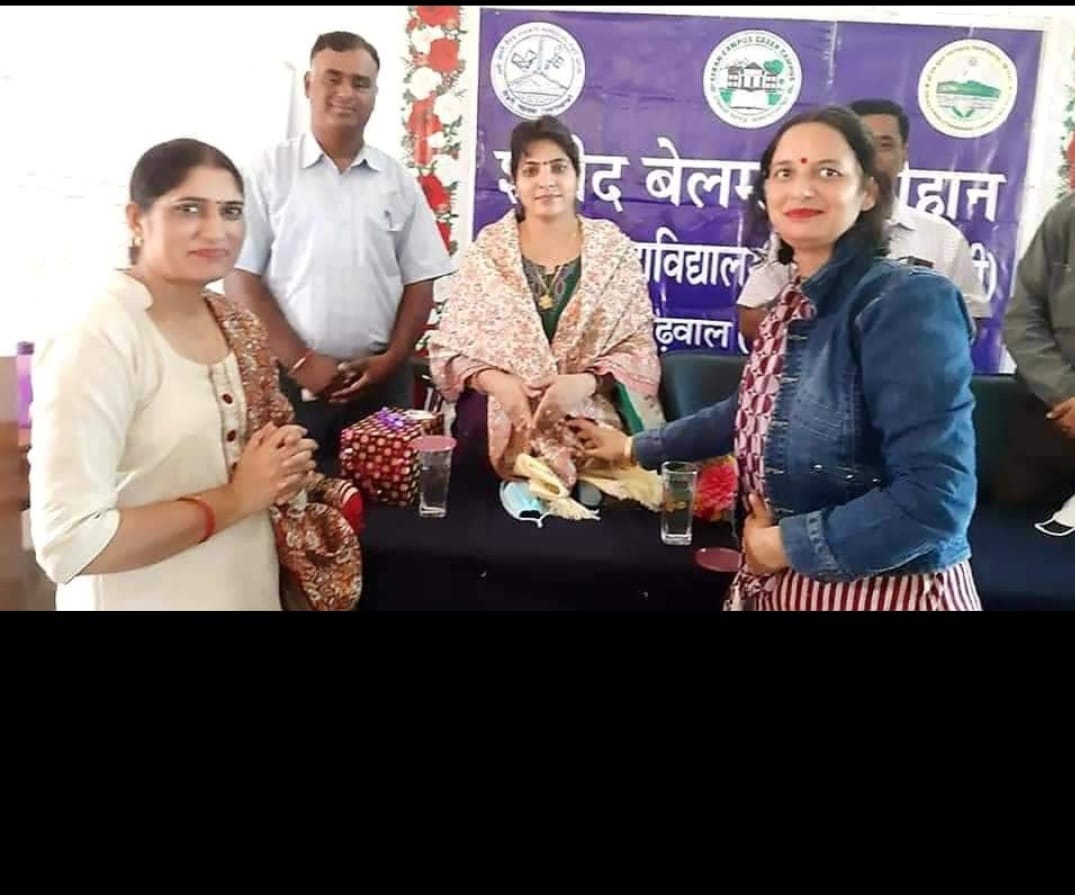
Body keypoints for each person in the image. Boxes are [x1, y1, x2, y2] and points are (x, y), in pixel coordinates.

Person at [570, 105, 981, 610]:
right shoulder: (789, 302)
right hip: (786, 585)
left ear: (868, 192)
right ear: (765, 194)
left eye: (827, 172)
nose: (802, 189)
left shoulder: (904, 301)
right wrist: (633, 448)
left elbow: (936, 501)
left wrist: (783, 546)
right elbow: (752, 409)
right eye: (785, 172)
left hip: (885, 593)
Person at [29, 139, 362, 611]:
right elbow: (70, 543)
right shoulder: (97, 334)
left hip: (248, 590)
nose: (216, 230)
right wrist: (238, 497)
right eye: (189, 209)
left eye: (231, 211)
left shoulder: (239, 324)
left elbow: (264, 463)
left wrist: (284, 462)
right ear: (136, 219)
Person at [225, 31, 454, 473]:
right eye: (333, 78)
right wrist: (301, 361)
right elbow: (240, 279)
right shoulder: (267, 172)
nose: (346, 93)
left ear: (374, 95)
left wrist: (393, 359)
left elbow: (420, 282)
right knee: (288, 502)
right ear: (308, 85)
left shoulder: (397, 182)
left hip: (380, 385)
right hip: (286, 383)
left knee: (386, 507)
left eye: (360, 83)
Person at [427, 115, 662, 508]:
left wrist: (584, 383)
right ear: (515, 182)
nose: (546, 181)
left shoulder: (612, 251)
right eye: (531, 170)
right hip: (498, 423)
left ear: (577, 175)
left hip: (586, 418)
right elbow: (449, 350)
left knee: (605, 497)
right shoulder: (489, 252)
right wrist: (498, 383)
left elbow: (638, 349)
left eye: (558, 167)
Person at [737, 98, 989, 344]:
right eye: (785, 173)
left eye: (884, 145)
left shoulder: (940, 242)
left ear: (904, 154)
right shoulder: (798, 235)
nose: (873, 156)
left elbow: (969, 322)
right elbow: (751, 316)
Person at [997, 192, 1075, 507]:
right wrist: (1066, 392)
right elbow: (1022, 320)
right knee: (1015, 507)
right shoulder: (1065, 216)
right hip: (1056, 410)